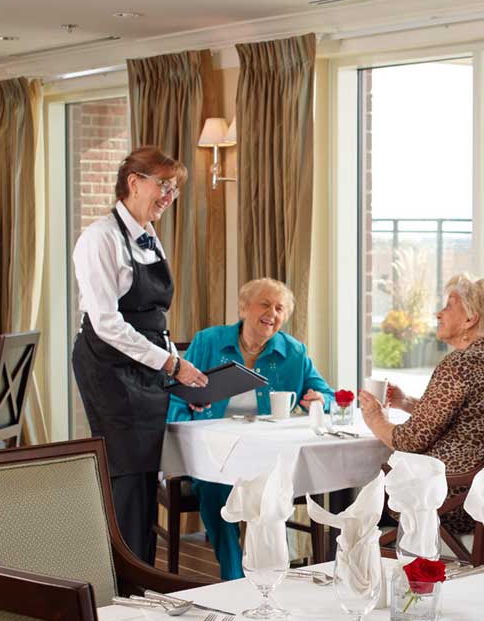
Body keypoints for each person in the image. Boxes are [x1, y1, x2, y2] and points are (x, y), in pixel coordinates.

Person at [72, 146, 208, 563]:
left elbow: (154, 320)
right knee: (127, 475)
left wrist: (179, 374)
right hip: (110, 366)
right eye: (163, 185)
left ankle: (143, 579)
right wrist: (171, 363)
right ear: (134, 182)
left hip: (147, 365)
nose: (169, 196)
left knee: (146, 473)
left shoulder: (149, 237)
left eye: (175, 189)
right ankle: (125, 583)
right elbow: (107, 324)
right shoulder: (100, 239)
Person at [168, 278, 333, 579]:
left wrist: (320, 400)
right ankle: (233, 574)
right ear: (244, 307)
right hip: (214, 452)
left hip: (265, 455)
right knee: (213, 486)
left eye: (280, 308)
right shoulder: (208, 341)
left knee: (275, 486)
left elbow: (328, 395)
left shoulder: (294, 352)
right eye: (265, 304)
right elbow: (176, 397)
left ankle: (271, 571)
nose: (272, 312)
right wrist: (188, 423)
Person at [359, 274, 484, 532]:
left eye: (449, 305)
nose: (439, 313)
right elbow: (469, 416)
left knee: (367, 495)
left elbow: (408, 441)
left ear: (470, 319)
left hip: (452, 498)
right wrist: (408, 402)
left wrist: (374, 418)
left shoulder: (459, 363)